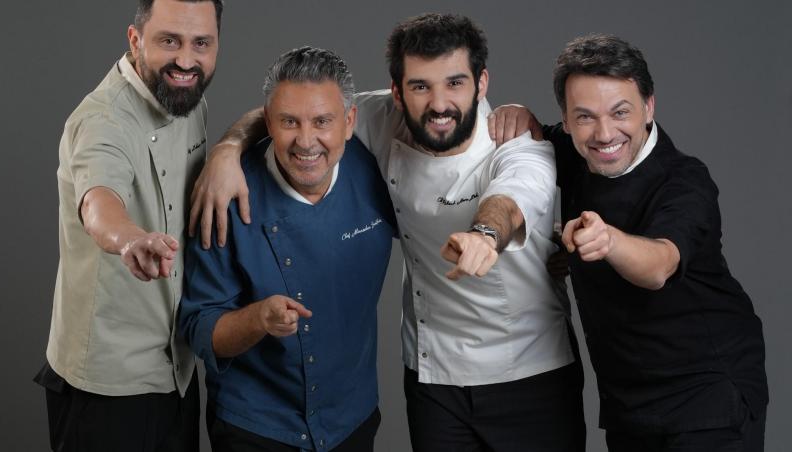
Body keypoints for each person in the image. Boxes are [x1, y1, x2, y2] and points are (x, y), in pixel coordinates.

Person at [189, 13, 585, 452]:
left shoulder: (519, 146)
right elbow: (298, 110)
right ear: (397, 93)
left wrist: (485, 235)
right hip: (434, 378)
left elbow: (512, 198)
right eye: (420, 86)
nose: (439, 104)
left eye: (455, 83)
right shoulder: (377, 122)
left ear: (481, 84)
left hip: (529, 372)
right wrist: (228, 149)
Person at [497, 34, 769, 451]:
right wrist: (516, 112)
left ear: (649, 107)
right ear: (566, 120)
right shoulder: (572, 152)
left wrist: (607, 241)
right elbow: (527, 139)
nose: (605, 134)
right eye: (585, 117)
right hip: (629, 402)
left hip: (709, 393)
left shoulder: (685, 180)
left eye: (620, 112)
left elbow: (660, 264)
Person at [179, 47, 396, 452]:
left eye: (322, 121)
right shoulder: (226, 195)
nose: (306, 141)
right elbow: (200, 327)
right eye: (289, 122)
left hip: (351, 418)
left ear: (349, 121)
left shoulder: (378, 171)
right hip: (257, 427)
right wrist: (258, 318)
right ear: (268, 122)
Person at [34, 1, 223, 450]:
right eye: (169, 41)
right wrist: (129, 238)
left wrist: (230, 150)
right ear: (135, 40)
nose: (186, 60)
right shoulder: (102, 121)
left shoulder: (188, 98)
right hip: (107, 387)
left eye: (201, 43)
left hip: (176, 371)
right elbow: (99, 203)